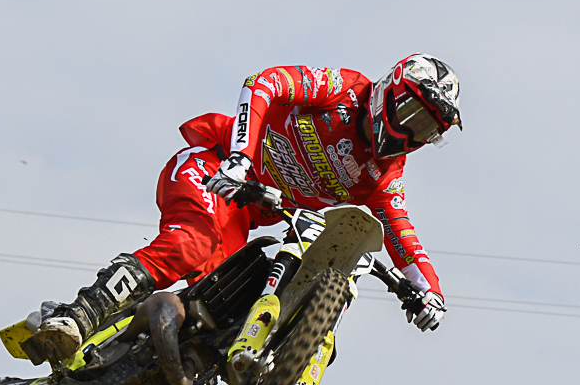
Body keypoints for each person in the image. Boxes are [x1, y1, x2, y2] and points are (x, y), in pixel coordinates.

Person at [23, 56, 460, 367]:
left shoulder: (384, 177)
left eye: (425, 129)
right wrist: (240, 158)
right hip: (213, 166)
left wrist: (430, 292)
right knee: (190, 245)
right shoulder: (343, 90)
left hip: (244, 214)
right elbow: (264, 83)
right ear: (388, 89)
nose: (409, 132)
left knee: (219, 312)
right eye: (410, 112)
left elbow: (401, 234)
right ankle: (76, 315)